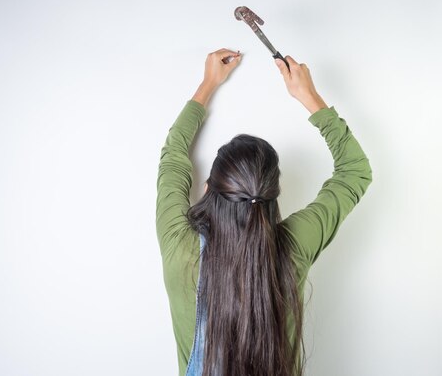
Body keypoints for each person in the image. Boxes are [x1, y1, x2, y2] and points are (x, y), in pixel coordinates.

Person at [156, 48, 373, 376]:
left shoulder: (179, 248)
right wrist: (308, 96)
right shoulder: (294, 245)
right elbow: (355, 171)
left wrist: (207, 84)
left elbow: (174, 156)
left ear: (208, 191)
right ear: (274, 199)